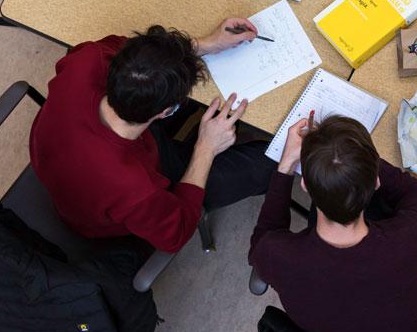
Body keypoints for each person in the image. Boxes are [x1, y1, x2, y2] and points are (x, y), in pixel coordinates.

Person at [30, 18, 274, 253]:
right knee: (267, 166)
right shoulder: (134, 188)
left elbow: (129, 51)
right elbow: (177, 234)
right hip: (114, 202)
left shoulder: (88, 60)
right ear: (165, 112)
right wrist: (205, 148)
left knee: (210, 105)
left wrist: (208, 43)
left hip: (88, 154)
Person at [248, 115, 417, 332]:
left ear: (304, 186)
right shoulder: (407, 235)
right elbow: (415, 193)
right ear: (376, 182)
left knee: (338, 191)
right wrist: (358, 161)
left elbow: (266, 232)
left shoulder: (276, 255)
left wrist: (286, 164)